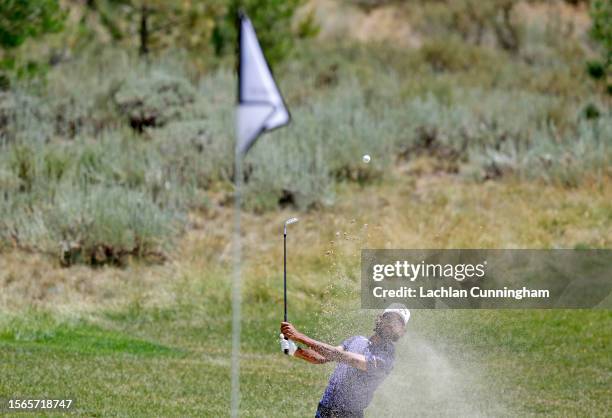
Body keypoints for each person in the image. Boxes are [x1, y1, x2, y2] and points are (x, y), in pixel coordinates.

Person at [280, 305, 410, 418]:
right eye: (389, 318)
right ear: (380, 318)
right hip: (324, 410)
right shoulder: (356, 340)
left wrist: (300, 336)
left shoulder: (386, 357)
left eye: (398, 323)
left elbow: (346, 358)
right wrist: (294, 350)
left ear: (402, 332)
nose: (391, 324)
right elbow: (322, 357)